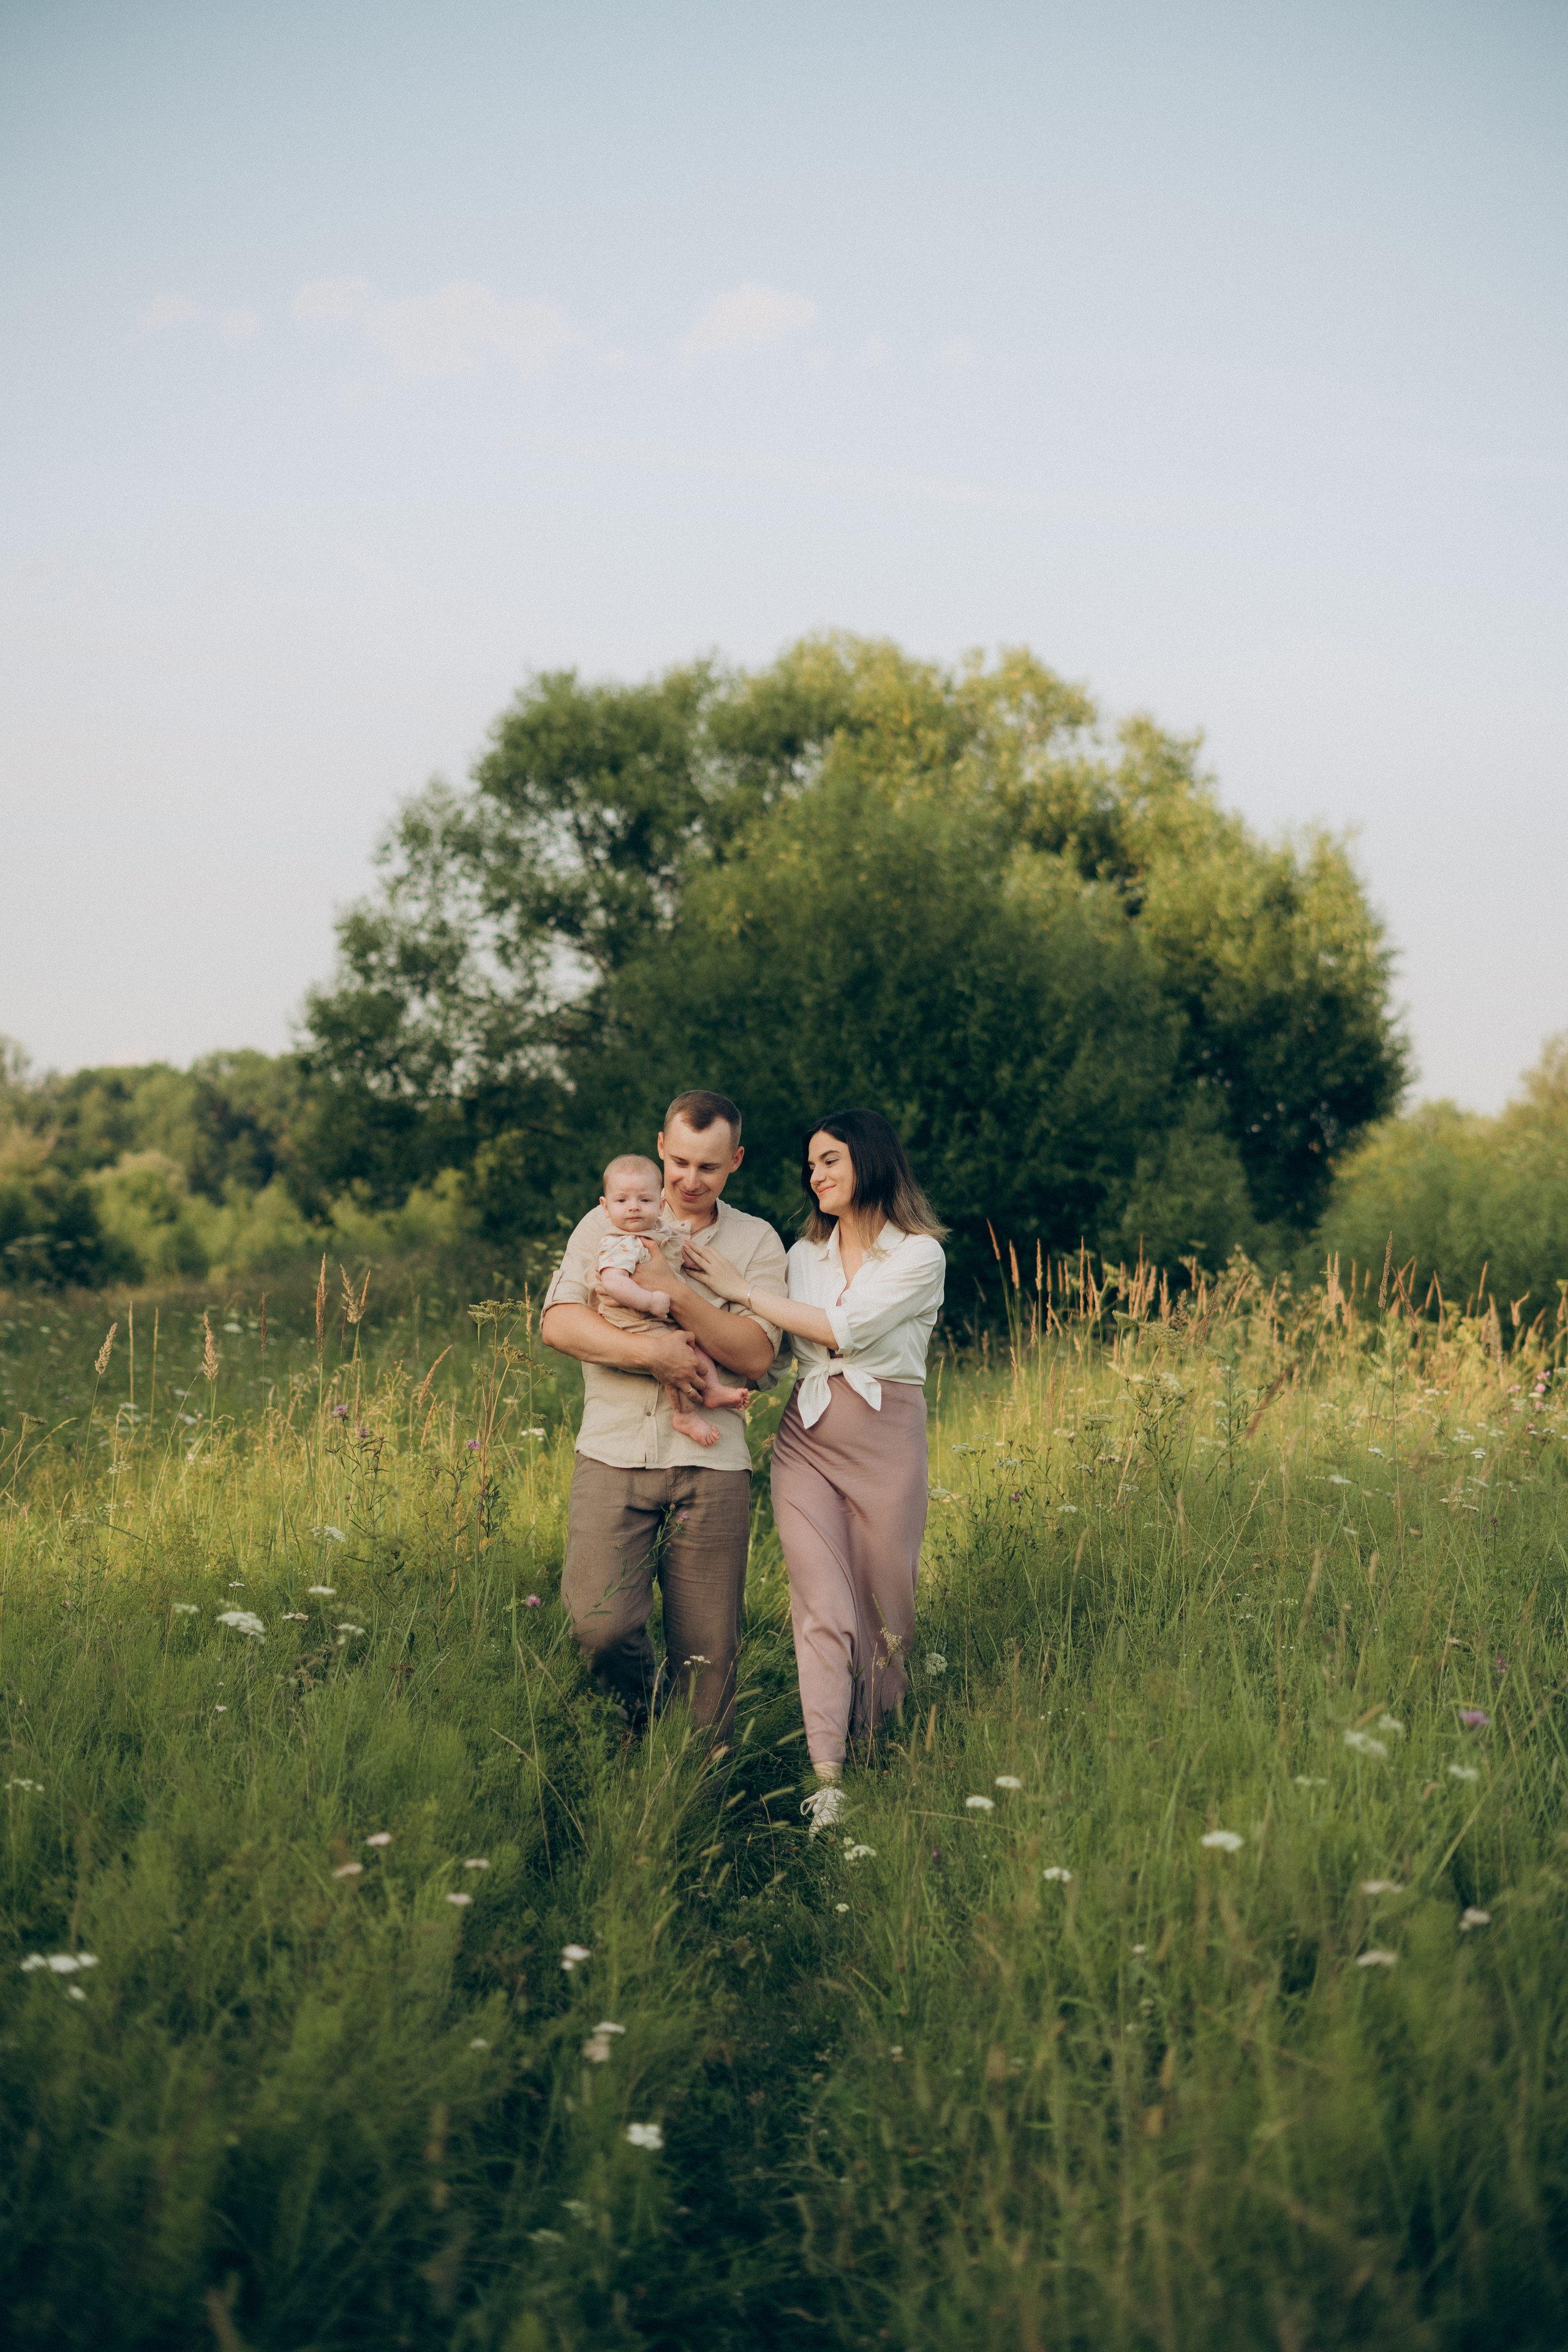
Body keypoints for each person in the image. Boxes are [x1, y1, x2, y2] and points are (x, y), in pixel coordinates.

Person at [680, 1108, 945, 1833]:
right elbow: (776, 1348)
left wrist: (739, 1289)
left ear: (870, 1161)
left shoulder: (919, 1256)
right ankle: (828, 1778)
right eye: (810, 1164)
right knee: (822, 1606)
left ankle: (878, 1746)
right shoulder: (801, 1256)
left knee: (888, 1614)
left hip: (888, 1444)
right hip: (808, 1438)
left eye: (828, 1160)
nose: (814, 1174)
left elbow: (844, 1329)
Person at [540, 1091, 786, 1735]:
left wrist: (675, 1291)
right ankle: (642, 1720)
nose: (689, 1180)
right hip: (611, 1452)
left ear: (735, 1161)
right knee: (597, 1625)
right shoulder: (603, 1222)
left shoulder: (757, 1241)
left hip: (712, 1463)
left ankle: (697, 1799)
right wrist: (654, 1355)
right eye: (679, 1162)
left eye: (708, 1167)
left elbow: (756, 1354)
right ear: (659, 1147)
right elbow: (562, 1324)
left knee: (708, 1658)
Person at [591, 1151, 750, 1447]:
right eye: (622, 1201)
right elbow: (614, 1282)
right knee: (675, 1357)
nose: (634, 1209)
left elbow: (674, 1244)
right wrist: (650, 1302)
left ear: (661, 1204)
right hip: (634, 1319)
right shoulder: (619, 1242)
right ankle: (685, 1415)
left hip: (652, 1314)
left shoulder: (656, 1229)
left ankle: (712, 1388)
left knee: (694, 1345)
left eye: (645, 1201)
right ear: (605, 1207)